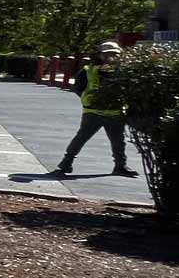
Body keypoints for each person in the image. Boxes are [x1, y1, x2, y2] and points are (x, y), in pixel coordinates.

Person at [53, 40, 136, 177]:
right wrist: (89, 99)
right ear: (100, 55)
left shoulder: (123, 71)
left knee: (118, 141)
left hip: (115, 111)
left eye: (114, 54)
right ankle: (65, 163)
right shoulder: (89, 70)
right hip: (93, 112)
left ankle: (120, 166)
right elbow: (78, 88)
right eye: (107, 54)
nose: (111, 57)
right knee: (81, 138)